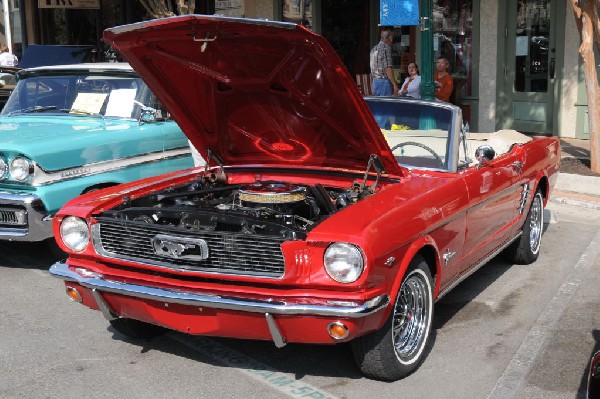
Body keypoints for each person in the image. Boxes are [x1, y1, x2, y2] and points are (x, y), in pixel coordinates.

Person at [369, 29, 399, 96]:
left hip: (375, 81)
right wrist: (394, 84)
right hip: (383, 82)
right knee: (385, 104)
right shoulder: (386, 48)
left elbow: (372, 68)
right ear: (390, 39)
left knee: (378, 105)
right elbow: (387, 68)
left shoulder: (374, 48)